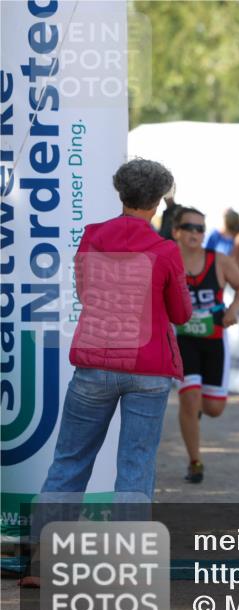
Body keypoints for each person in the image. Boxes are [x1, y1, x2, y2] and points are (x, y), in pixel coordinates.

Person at [40, 159, 192, 501]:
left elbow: (84, 293)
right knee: (136, 467)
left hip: (95, 360)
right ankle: (130, 553)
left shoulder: (92, 236)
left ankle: (45, 548)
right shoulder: (166, 250)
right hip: (149, 366)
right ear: (156, 203)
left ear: (120, 193)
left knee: (69, 462)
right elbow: (181, 314)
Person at [172, 207, 239, 483]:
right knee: (189, 398)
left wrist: (233, 309)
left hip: (215, 339)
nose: (195, 233)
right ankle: (195, 462)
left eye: (200, 228)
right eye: (189, 227)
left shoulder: (218, 260)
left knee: (214, 408)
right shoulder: (168, 260)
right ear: (176, 231)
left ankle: (197, 413)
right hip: (183, 340)